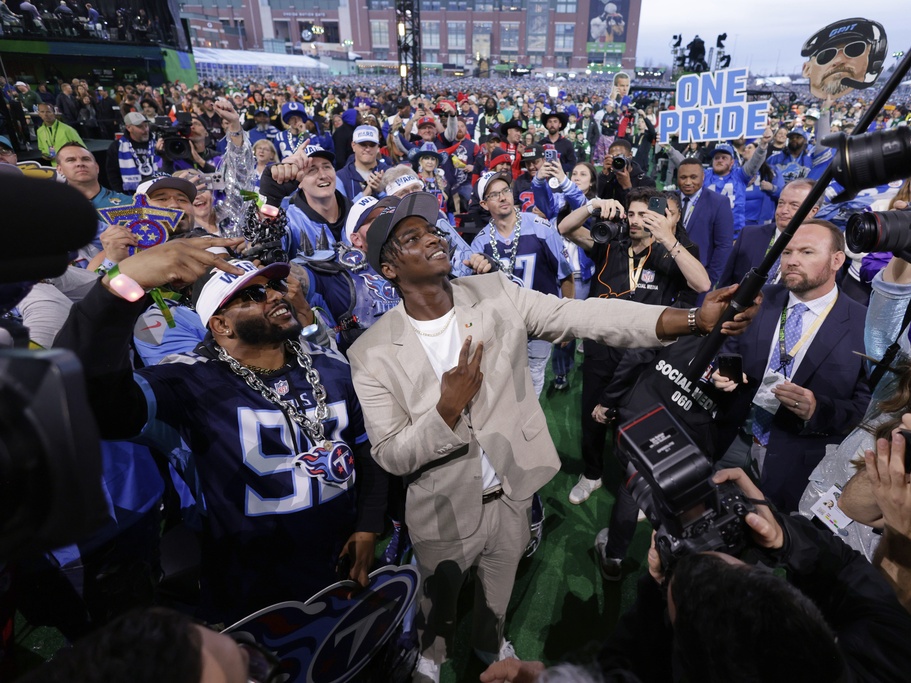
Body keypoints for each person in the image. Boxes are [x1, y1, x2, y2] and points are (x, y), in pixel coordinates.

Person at [348, 191, 753, 683]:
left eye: (431, 229)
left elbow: (586, 316)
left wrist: (692, 320)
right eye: (412, 238)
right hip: (441, 510)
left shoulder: (495, 291)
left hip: (513, 494)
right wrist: (445, 410)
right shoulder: (369, 352)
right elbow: (391, 453)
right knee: (438, 602)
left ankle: (490, 642)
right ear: (389, 269)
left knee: (497, 593)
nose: (433, 237)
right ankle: (431, 655)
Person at [55, 242, 386, 623]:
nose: (275, 295)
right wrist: (118, 288)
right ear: (220, 325)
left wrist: (368, 525)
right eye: (252, 295)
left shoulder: (327, 364)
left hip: (339, 559)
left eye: (273, 286)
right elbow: (85, 397)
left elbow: (365, 450)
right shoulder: (185, 381)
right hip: (251, 585)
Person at [483, 468, 911, 683]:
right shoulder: (889, 656)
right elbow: (851, 574)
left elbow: (625, 664)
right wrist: (783, 538)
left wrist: (656, 588)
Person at [558, 189, 710, 505]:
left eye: (645, 214)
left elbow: (702, 284)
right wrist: (593, 205)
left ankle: (638, 483)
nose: (637, 220)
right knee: (591, 418)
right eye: (632, 214)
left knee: (638, 422)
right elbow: (566, 229)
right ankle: (592, 474)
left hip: (644, 355)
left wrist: (666, 237)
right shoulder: (611, 242)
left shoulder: (674, 250)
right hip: (602, 346)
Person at [712, 220, 871, 512]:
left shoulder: (864, 324)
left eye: (807, 252)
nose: (792, 260)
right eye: (787, 252)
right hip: (731, 440)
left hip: (797, 463)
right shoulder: (757, 299)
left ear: (837, 260)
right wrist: (720, 373)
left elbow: (866, 408)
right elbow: (726, 348)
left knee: (771, 536)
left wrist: (817, 409)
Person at [468, 171, 574, 398]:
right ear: (484, 204)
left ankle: (530, 418)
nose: (503, 197)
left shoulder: (541, 228)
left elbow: (565, 275)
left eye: (505, 190)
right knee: (504, 378)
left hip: (540, 319)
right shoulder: (480, 243)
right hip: (503, 325)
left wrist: (567, 321)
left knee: (534, 374)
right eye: (494, 195)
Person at [718, 179, 821, 288]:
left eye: (794, 205)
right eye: (781, 203)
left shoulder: (820, 248)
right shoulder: (748, 235)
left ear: (813, 211)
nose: (783, 210)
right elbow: (724, 285)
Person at [672, 157, 733, 289]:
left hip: (699, 277)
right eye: (683, 177)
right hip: (668, 273)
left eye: (693, 177)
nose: (688, 182)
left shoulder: (719, 203)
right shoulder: (669, 199)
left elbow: (724, 246)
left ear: (703, 177)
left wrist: (710, 278)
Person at [106, 111, 159, 193]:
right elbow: (112, 174)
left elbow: (166, 167)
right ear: (129, 128)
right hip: (131, 194)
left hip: (157, 190)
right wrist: (122, 194)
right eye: (140, 127)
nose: (145, 130)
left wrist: (162, 153)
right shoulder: (118, 146)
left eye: (146, 125)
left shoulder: (157, 142)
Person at [336, 124, 392, 201]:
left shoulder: (389, 173)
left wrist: (381, 192)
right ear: (353, 146)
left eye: (372, 145)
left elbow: (398, 205)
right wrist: (365, 194)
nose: (368, 149)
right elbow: (341, 208)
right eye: (363, 144)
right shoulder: (340, 177)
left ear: (378, 147)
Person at [596, 137, 655, 205]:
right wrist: (603, 175)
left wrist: (627, 187)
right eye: (614, 157)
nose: (617, 161)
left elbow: (639, 208)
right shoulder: (608, 177)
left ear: (630, 155)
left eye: (620, 157)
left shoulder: (646, 182)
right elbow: (594, 199)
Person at [35, 102, 84, 166]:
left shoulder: (67, 129)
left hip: (71, 165)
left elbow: (82, 148)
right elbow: (42, 149)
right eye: (42, 112)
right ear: (39, 114)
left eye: (48, 112)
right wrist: (45, 155)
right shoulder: (40, 131)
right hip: (55, 166)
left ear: (54, 113)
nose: (45, 114)